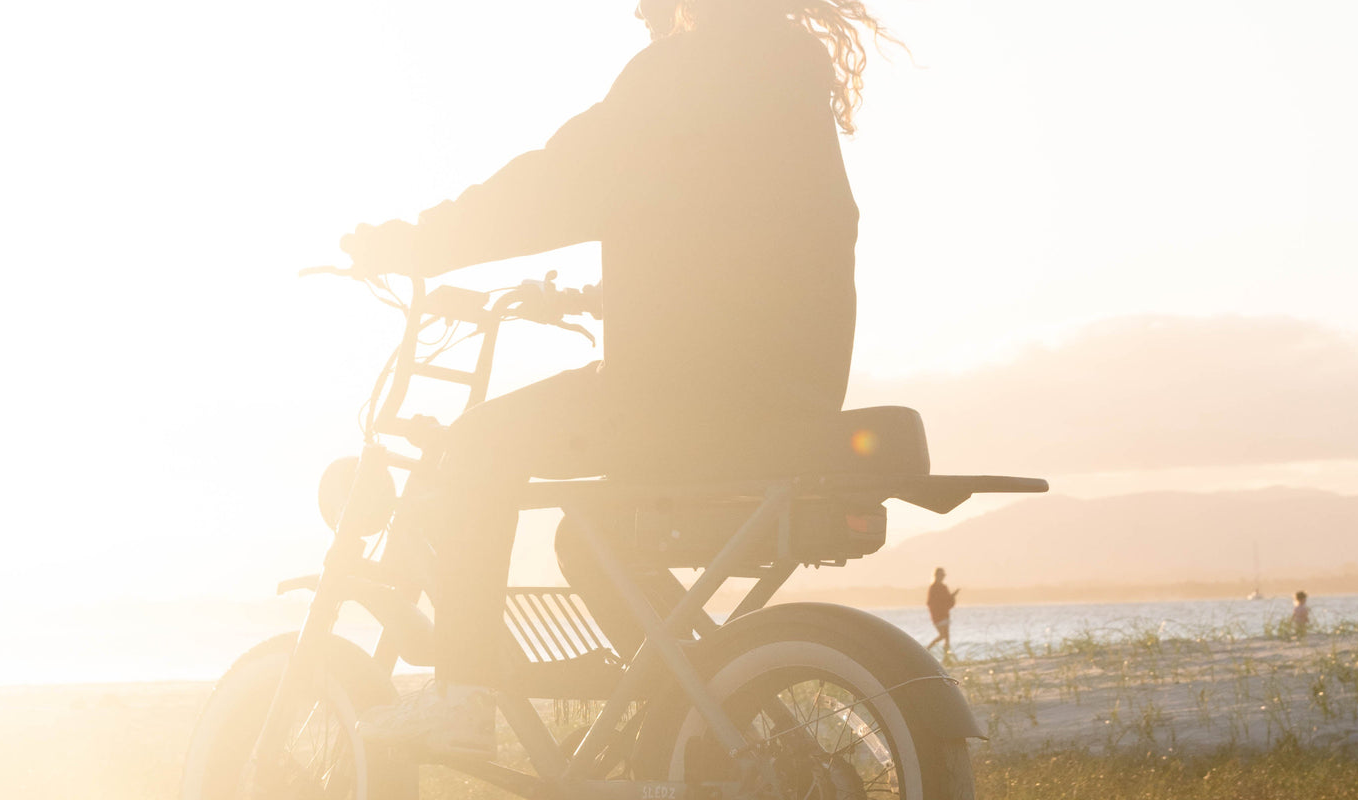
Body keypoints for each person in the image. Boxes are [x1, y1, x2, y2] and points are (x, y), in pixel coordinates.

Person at [347, 0, 898, 759]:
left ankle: (464, 696)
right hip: (786, 387)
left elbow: (557, 184)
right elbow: (739, 240)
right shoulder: (787, 75)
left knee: (471, 451)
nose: (638, 10)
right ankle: (711, 708)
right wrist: (596, 297)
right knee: (592, 539)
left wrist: (417, 243)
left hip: (683, 397)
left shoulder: (681, 74)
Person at [924, 567, 958, 654]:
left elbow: (948, 601)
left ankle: (946, 656)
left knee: (946, 636)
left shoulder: (943, 587)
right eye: (941, 575)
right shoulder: (933, 587)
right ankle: (927, 649)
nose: (942, 577)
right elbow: (930, 603)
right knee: (943, 635)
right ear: (936, 575)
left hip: (944, 614)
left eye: (943, 575)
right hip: (937, 616)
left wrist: (953, 596)